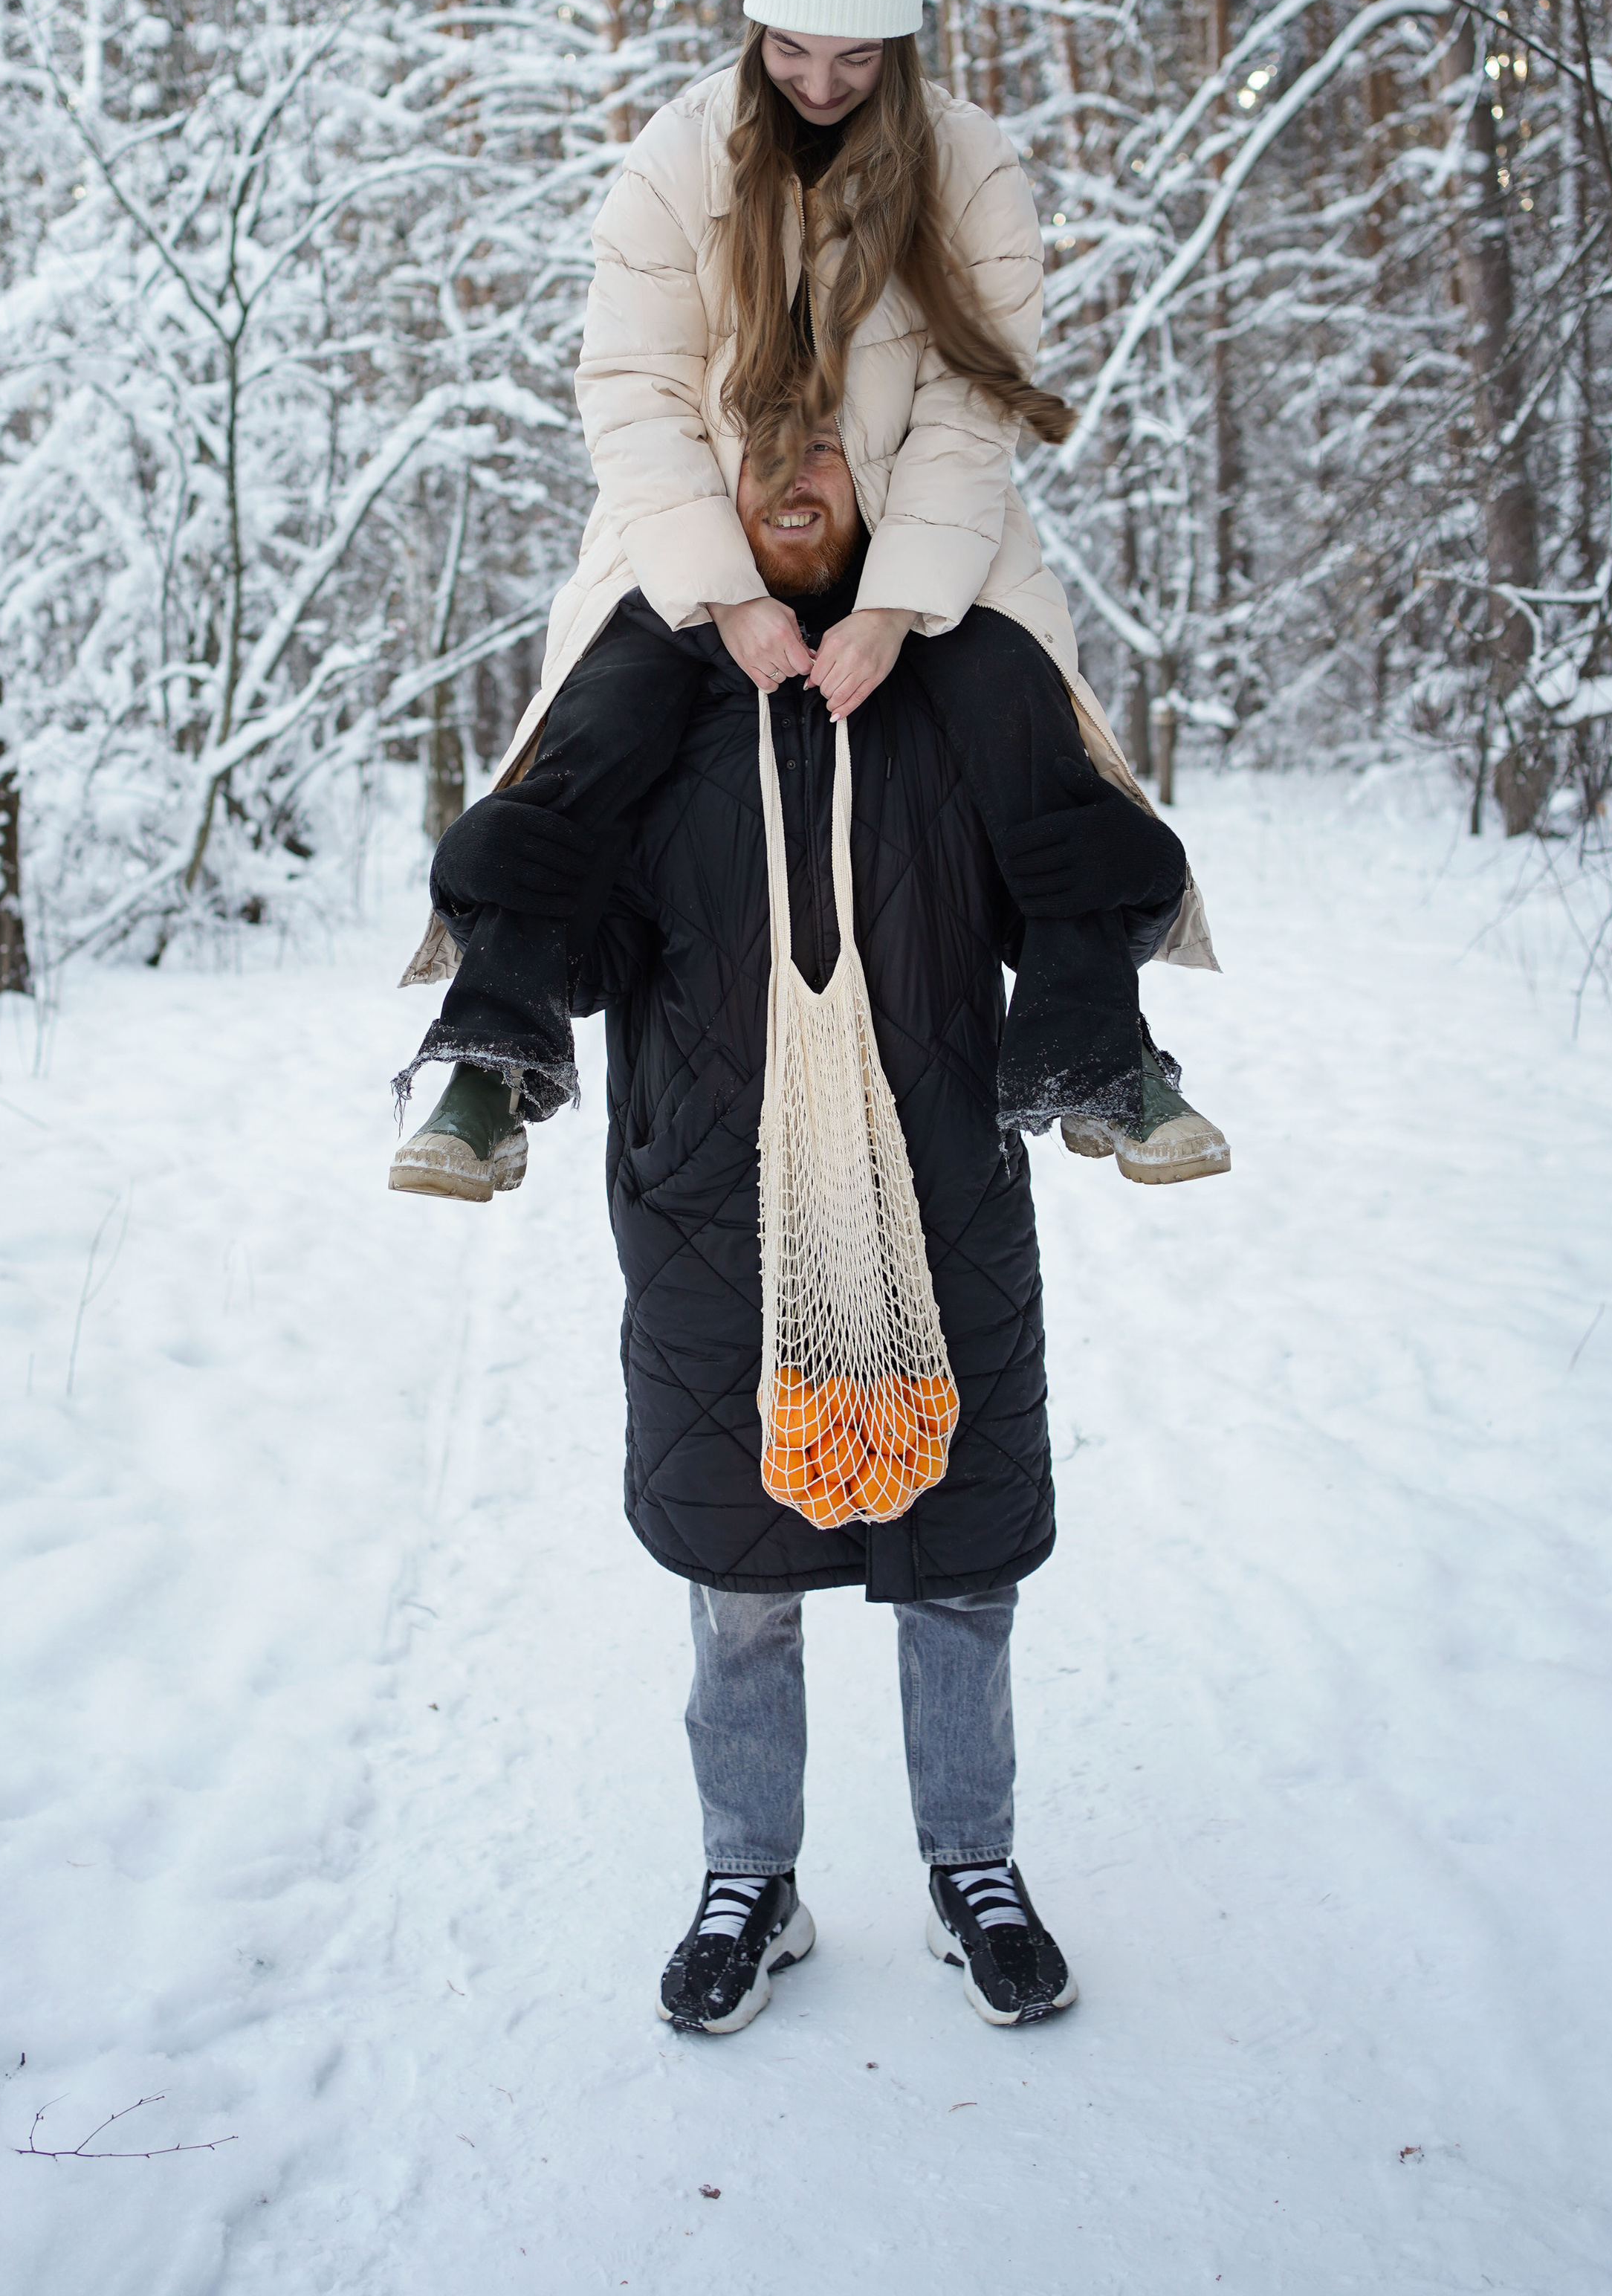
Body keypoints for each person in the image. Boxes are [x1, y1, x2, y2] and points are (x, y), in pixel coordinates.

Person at [433, 414, 1190, 2031]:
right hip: (712, 1195)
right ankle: (748, 1877)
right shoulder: (651, 708)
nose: (789, 475)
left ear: (873, 483)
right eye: (753, 445)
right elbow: (563, 945)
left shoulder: (940, 687)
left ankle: (967, 1864)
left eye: (824, 448)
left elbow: (1069, 876)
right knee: (739, 1574)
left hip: (933, 1180)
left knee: (958, 1559)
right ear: (704, 489)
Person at [391, 0, 1224, 1202]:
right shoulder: (678, 158)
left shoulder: (971, 165)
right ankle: (491, 1057)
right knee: (591, 732)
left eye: (854, 57)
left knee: (1031, 731)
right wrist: (721, 594)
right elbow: (633, 384)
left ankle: (1102, 1054)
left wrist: (898, 605)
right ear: (755, 28)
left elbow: (976, 402)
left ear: (900, 49)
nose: (821, 82)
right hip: (710, 518)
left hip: (910, 526)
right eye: (792, 49)